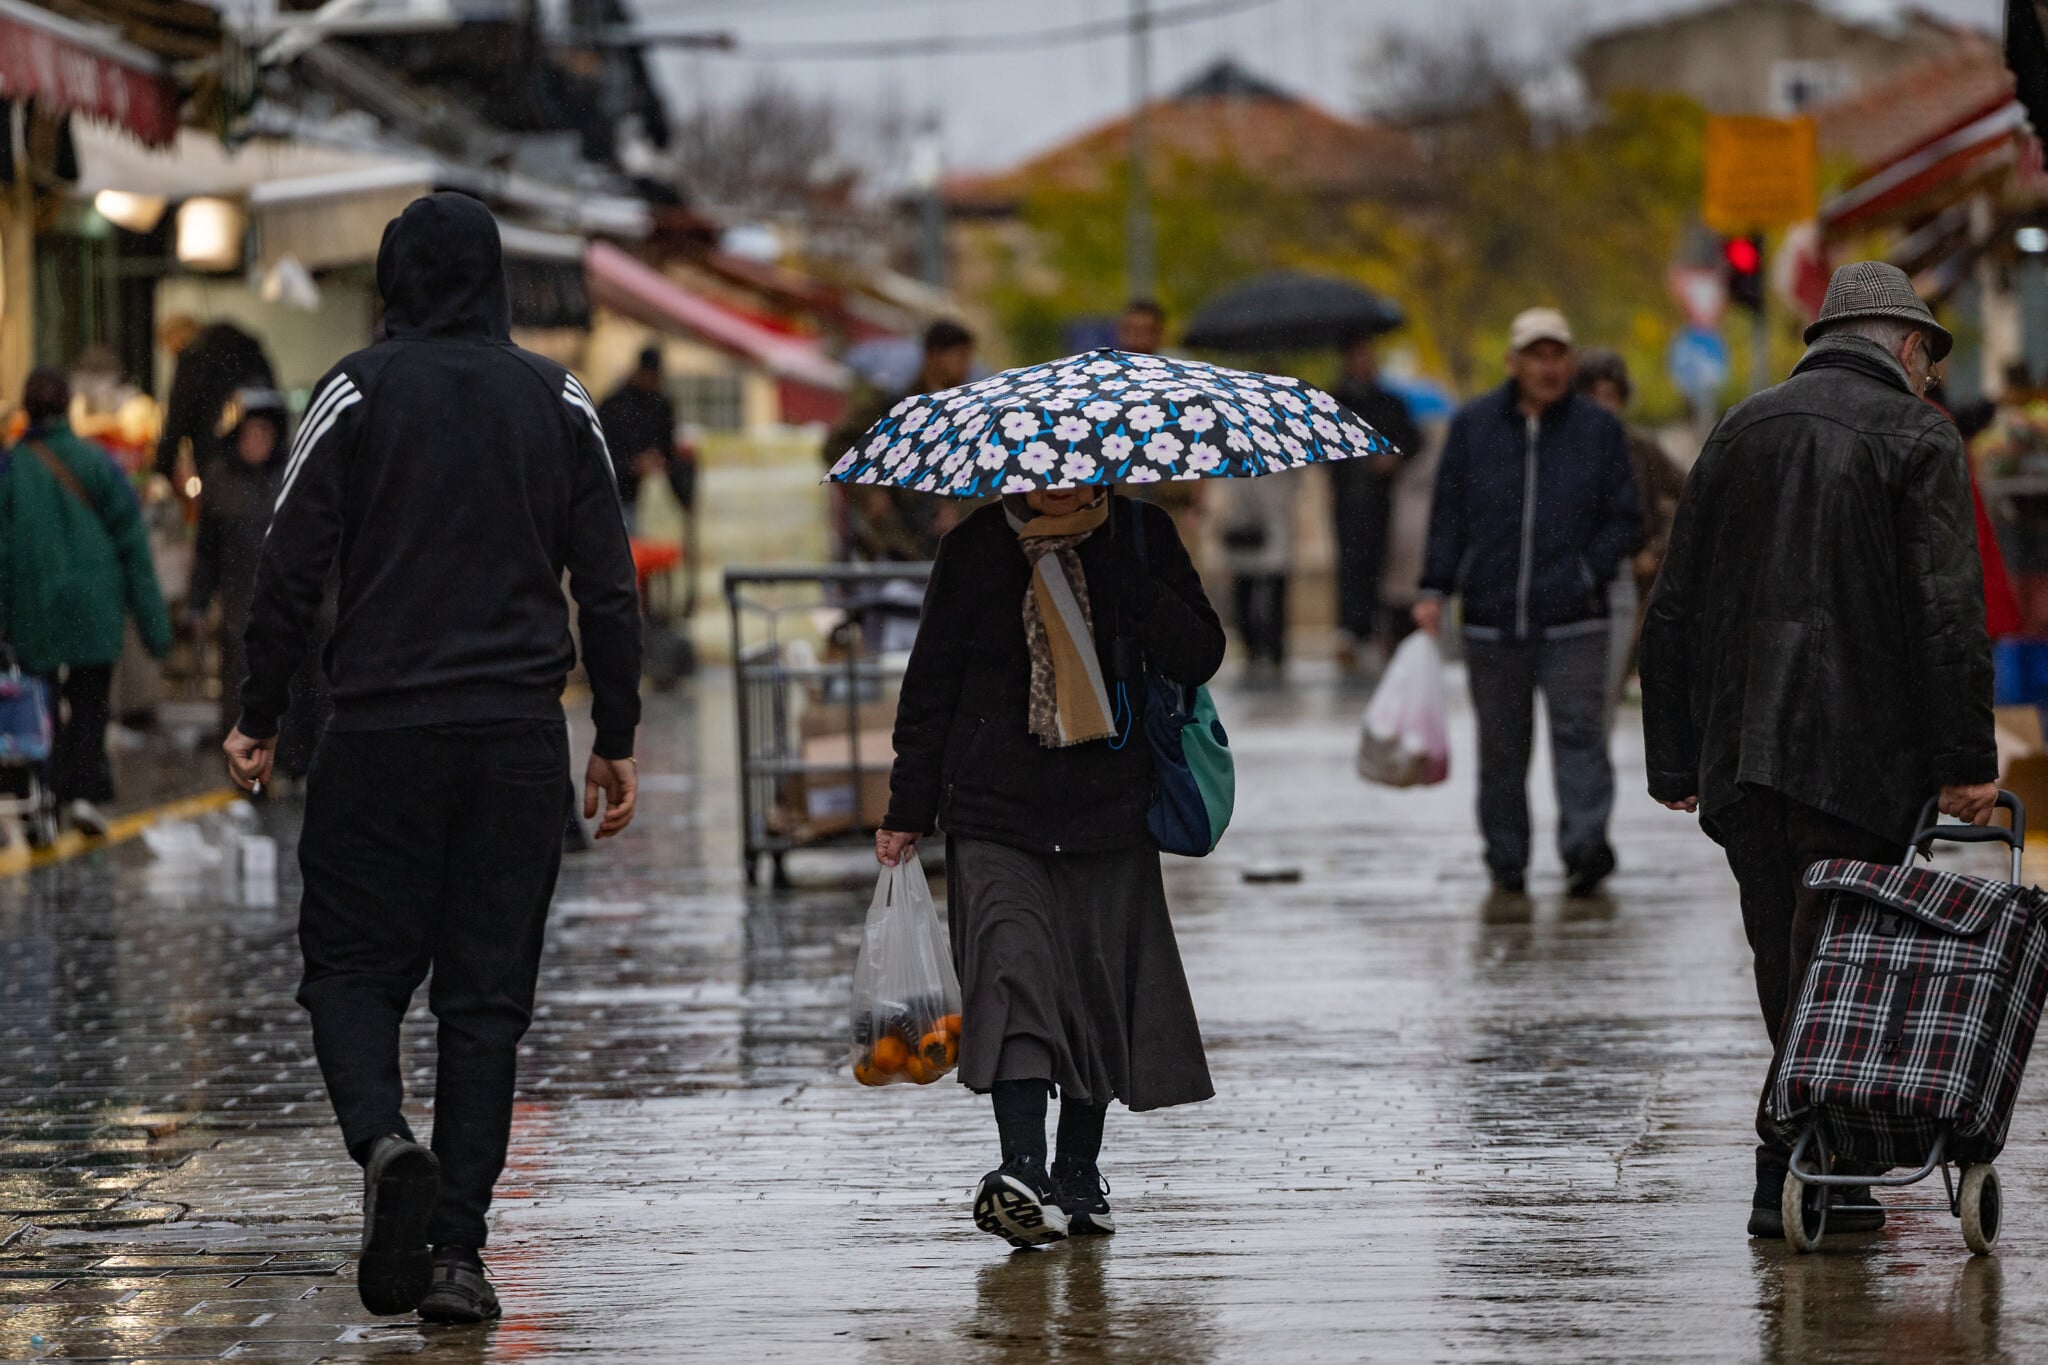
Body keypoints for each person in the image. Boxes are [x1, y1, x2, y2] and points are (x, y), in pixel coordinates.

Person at [222, 192, 643, 1323]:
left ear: (396, 280)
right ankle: (456, 1251)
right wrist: (614, 733)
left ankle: (380, 1143)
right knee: (485, 1002)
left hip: (383, 735)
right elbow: (607, 581)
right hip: (514, 743)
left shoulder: (354, 392)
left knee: (351, 970)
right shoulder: (558, 400)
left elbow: (287, 570)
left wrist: (258, 714)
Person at [1639, 260, 1998, 1241]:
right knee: (1837, 961)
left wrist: (1671, 758)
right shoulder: (1916, 434)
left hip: (1741, 757)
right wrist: (1965, 758)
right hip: (1856, 755)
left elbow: (1671, 606)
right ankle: (1792, 1163)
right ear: (1906, 345)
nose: (1927, 376)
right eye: (1926, 356)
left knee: (1785, 956)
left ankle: (1818, 1168)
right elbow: (1943, 617)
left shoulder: (1737, 428)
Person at [876, 481, 1225, 1249]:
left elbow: (1201, 651)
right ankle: (1023, 1172)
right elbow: (930, 682)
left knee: (1093, 995)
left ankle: (1076, 1170)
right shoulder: (974, 547)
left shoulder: (1138, 534)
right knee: (1014, 977)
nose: (1053, 479)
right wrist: (908, 806)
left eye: (1069, 464)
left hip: (1110, 813)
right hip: (996, 812)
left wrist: (1111, 573)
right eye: (1035, 467)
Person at [1414, 308, 1639, 897]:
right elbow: (1447, 517)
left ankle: (1586, 847)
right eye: (1536, 355)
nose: (1548, 366)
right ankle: (1506, 858)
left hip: (1576, 620)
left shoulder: (1598, 430)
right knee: (1502, 751)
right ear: (1513, 363)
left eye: (1557, 354)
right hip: (1492, 622)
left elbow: (1625, 518)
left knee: (1581, 738)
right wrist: (1434, 588)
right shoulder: (1473, 427)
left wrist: (1587, 570)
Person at [0, 367, 171, 837]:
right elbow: (132, 543)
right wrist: (156, 627)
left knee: (42, 706)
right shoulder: (98, 464)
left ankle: (46, 796)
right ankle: (83, 793)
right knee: (91, 702)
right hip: (96, 610)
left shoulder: (10, 468)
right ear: (68, 408)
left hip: (35, 611)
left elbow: (2, 551)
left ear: (26, 411)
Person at [1574, 349, 1687, 708]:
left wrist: (1657, 550)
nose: (1602, 405)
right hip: (1575, 585)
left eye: (1610, 396)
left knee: (1606, 694)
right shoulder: (1566, 451)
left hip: (1632, 588)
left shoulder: (1640, 449)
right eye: (1594, 396)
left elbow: (1689, 494)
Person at [823, 320, 977, 562]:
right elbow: (837, 445)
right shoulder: (894, 404)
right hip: (893, 542)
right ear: (935, 356)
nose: (966, 366)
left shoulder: (968, 412)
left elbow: (983, 471)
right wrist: (868, 493)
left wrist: (958, 509)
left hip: (948, 544)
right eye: (960, 356)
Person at [188, 389, 288, 738]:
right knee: (241, 684)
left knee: (289, 683)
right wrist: (198, 602)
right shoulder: (221, 479)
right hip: (239, 605)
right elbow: (207, 549)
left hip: (289, 605)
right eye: (250, 432)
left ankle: (290, 763)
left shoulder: (290, 477)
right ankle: (245, 770)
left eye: (264, 433)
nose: (256, 441)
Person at [1329, 332, 1422, 673]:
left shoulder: (1390, 403)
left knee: (1384, 565)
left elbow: (1412, 440)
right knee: (1352, 565)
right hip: (1349, 499)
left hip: (1383, 500)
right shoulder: (1335, 400)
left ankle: (1380, 631)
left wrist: (1393, 460)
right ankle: (1354, 631)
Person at [153, 316, 275, 487]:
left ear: (177, 336)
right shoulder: (246, 347)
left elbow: (178, 418)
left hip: (214, 458)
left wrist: (161, 470)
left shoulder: (193, 357)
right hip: (263, 464)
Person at [1217, 473, 1296, 677]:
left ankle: (1271, 646)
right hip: (1245, 525)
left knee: (1271, 590)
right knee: (1246, 590)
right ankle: (1254, 646)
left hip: (1272, 524)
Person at [596, 345, 682, 517]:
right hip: (620, 496)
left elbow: (668, 450)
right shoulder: (614, 405)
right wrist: (632, 465)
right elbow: (601, 453)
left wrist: (659, 461)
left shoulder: (661, 405)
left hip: (655, 500)